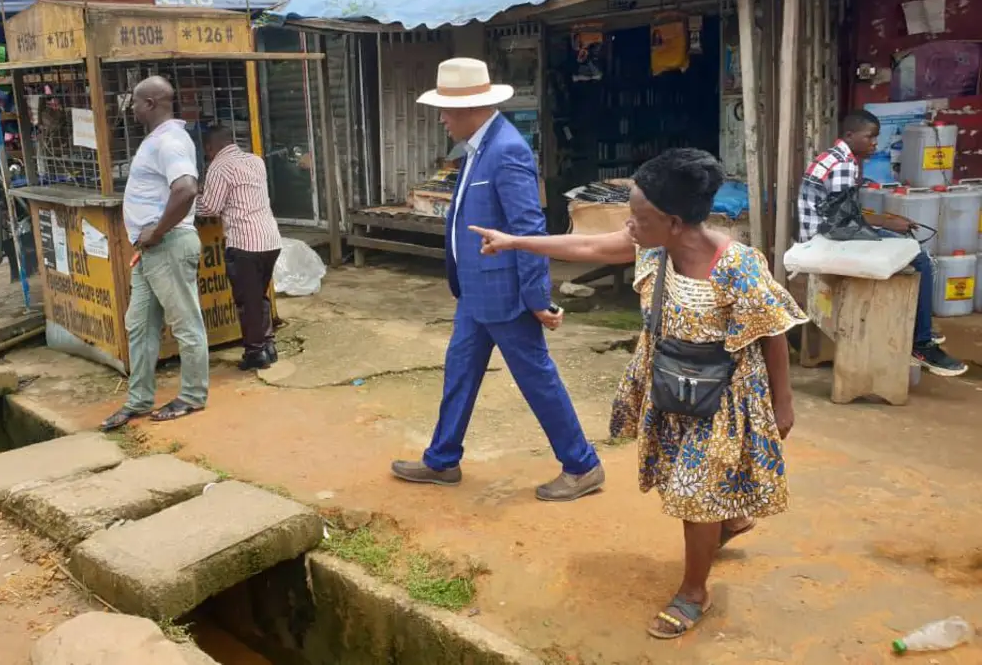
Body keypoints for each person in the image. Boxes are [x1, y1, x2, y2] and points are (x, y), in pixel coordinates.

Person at [471, 149, 804, 638]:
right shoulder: (652, 247)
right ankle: (730, 518)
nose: (628, 224)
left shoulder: (737, 265)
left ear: (672, 221)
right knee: (687, 478)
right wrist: (514, 241)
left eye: (639, 216)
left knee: (693, 490)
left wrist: (783, 401)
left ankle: (694, 592)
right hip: (672, 385)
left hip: (725, 400)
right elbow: (586, 248)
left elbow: (773, 331)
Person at [390, 57, 604, 503]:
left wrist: (537, 296)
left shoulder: (506, 150)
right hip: (475, 291)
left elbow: (528, 228)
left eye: (447, 111)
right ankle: (442, 458)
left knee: (536, 379)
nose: (443, 119)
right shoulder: (477, 147)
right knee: (459, 373)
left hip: (506, 295)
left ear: (472, 108)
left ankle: (582, 466)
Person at [798, 110, 966, 377]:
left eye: (877, 137)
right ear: (850, 135)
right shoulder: (843, 165)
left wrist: (886, 220)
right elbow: (841, 224)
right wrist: (886, 224)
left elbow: (842, 212)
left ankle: (917, 325)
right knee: (919, 257)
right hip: (827, 240)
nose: (875, 143)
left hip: (827, 232)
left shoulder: (835, 156)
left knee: (904, 245)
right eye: (870, 137)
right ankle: (920, 344)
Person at [100, 76, 209, 431]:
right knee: (139, 325)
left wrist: (157, 230)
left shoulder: (171, 141)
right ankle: (139, 399)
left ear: (150, 103)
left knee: (185, 323)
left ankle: (192, 396)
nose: (130, 108)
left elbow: (187, 189)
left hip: (169, 244)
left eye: (133, 102)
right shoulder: (160, 140)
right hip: (152, 251)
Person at [197, 127, 282, 370]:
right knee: (260, 297)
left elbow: (210, 208)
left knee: (247, 301)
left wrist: (188, 202)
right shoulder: (256, 161)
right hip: (269, 240)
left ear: (210, 148)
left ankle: (255, 354)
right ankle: (268, 346)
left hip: (244, 243)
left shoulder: (219, 167)